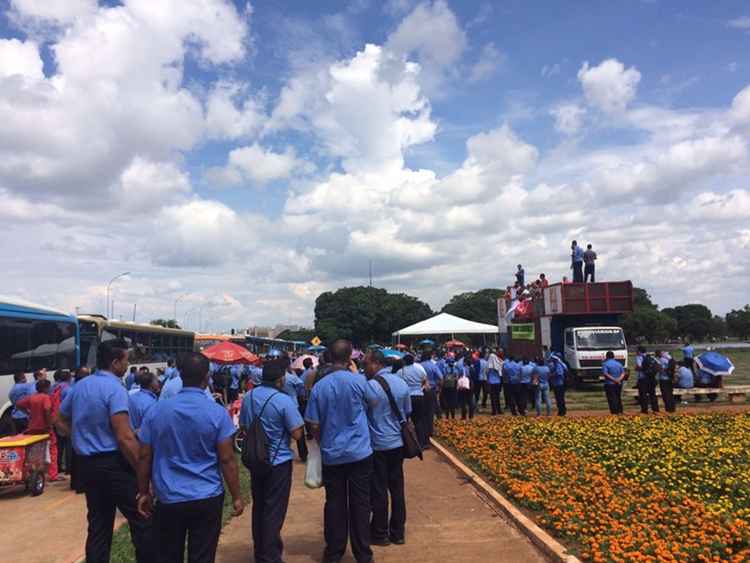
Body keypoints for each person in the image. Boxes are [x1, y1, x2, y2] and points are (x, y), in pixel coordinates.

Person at [137, 352, 243, 563]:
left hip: (168, 497)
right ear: (206, 378)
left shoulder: (156, 411)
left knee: (168, 555)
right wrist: (237, 496)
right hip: (207, 496)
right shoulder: (217, 413)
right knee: (202, 556)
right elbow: (227, 459)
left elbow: (144, 456)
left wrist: (143, 492)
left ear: (180, 376)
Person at [56, 339, 154, 563]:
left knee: (98, 526)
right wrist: (143, 473)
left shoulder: (80, 386)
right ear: (115, 362)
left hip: (86, 465)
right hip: (113, 464)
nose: (127, 366)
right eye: (125, 361)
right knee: (143, 518)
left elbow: (59, 420)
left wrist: (79, 436)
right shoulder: (115, 389)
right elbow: (124, 436)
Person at [305, 340, 378, 563]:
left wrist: (322, 439)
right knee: (361, 503)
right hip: (359, 453)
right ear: (350, 359)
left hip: (332, 453)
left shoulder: (320, 387)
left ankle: (334, 552)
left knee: (334, 503)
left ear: (328, 358)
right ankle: (363, 553)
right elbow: (374, 403)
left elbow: (313, 424)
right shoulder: (359, 381)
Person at [240, 359, 303, 563]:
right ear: (281, 379)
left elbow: (243, 426)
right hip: (278, 462)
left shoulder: (248, 397)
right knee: (273, 510)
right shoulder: (283, 400)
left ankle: (260, 552)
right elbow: (297, 434)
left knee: (259, 507)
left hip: (255, 460)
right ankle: (270, 557)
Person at [365, 350, 411, 546]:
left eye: (366, 364)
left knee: (379, 489)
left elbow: (363, 414)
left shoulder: (370, 387)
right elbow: (407, 412)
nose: (364, 368)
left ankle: (380, 532)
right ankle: (398, 532)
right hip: (397, 444)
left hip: (377, 445)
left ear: (376, 363)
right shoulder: (401, 383)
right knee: (397, 488)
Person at [17, 379, 65, 482]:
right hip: (45, 429)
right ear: (45, 388)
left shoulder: (32, 397)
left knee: (35, 452)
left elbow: (18, 404)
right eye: (48, 387)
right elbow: (47, 409)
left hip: (32, 428)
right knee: (52, 450)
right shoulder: (45, 397)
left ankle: (35, 472)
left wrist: (28, 413)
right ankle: (52, 475)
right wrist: (49, 424)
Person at [395, 354, 429, 448]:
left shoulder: (400, 372)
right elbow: (424, 381)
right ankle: (422, 443)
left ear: (404, 362)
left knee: (405, 420)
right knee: (419, 421)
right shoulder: (419, 370)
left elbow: (398, 384)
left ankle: (406, 443)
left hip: (407, 397)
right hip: (419, 396)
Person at [281, 357, 308, 463]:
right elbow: (301, 385)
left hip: (280, 405)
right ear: (288, 366)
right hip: (293, 406)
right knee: (299, 431)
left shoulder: (278, 377)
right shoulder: (291, 377)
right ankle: (303, 454)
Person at [636, 347, 659, 414]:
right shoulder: (651, 357)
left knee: (643, 394)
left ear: (639, 351)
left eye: (637, 351)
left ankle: (644, 410)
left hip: (643, 378)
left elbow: (639, 366)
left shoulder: (639, 357)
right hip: (652, 378)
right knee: (652, 394)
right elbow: (658, 365)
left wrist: (638, 368)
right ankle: (655, 409)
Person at [486, 349, 503, 415]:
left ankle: (494, 411)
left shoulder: (489, 366)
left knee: (492, 397)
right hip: (497, 382)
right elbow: (501, 371)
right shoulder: (498, 364)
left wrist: (487, 380)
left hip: (491, 383)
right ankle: (498, 410)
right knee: (497, 397)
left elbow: (487, 373)